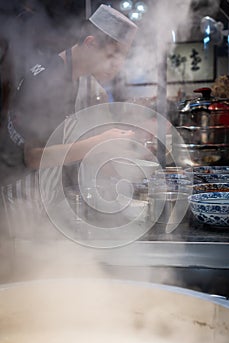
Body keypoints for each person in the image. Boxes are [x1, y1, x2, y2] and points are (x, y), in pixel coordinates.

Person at [0, 4, 138, 239]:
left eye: (122, 58)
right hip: (20, 195)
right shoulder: (48, 79)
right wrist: (100, 142)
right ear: (90, 43)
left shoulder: (76, 78)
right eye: (113, 55)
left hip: (43, 193)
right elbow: (33, 157)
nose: (117, 66)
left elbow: (66, 137)